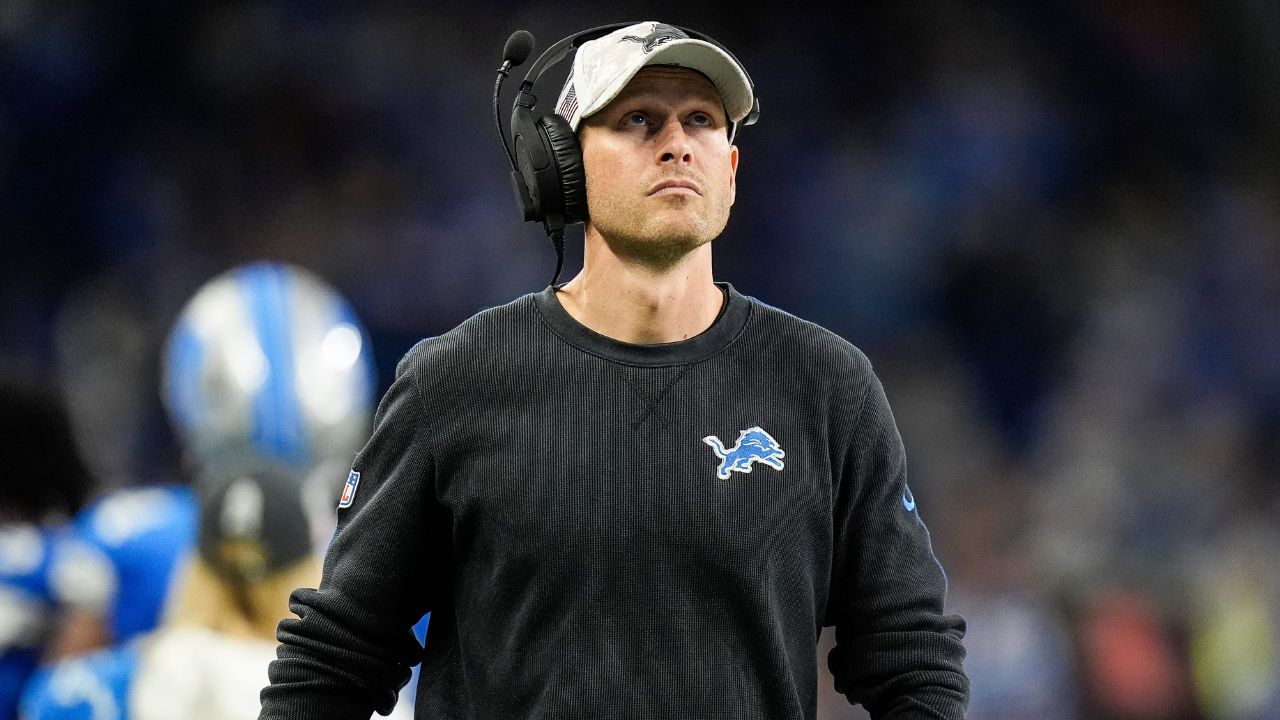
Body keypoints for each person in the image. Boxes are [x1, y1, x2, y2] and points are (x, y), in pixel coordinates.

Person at [260, 20, 969, 719]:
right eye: (638, 120)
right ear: (564, 168)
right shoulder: (454, 384)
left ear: (729, 168)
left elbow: (914, 661)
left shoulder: (826, 386)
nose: (676, 145)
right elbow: (334, 660)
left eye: (700, 121)